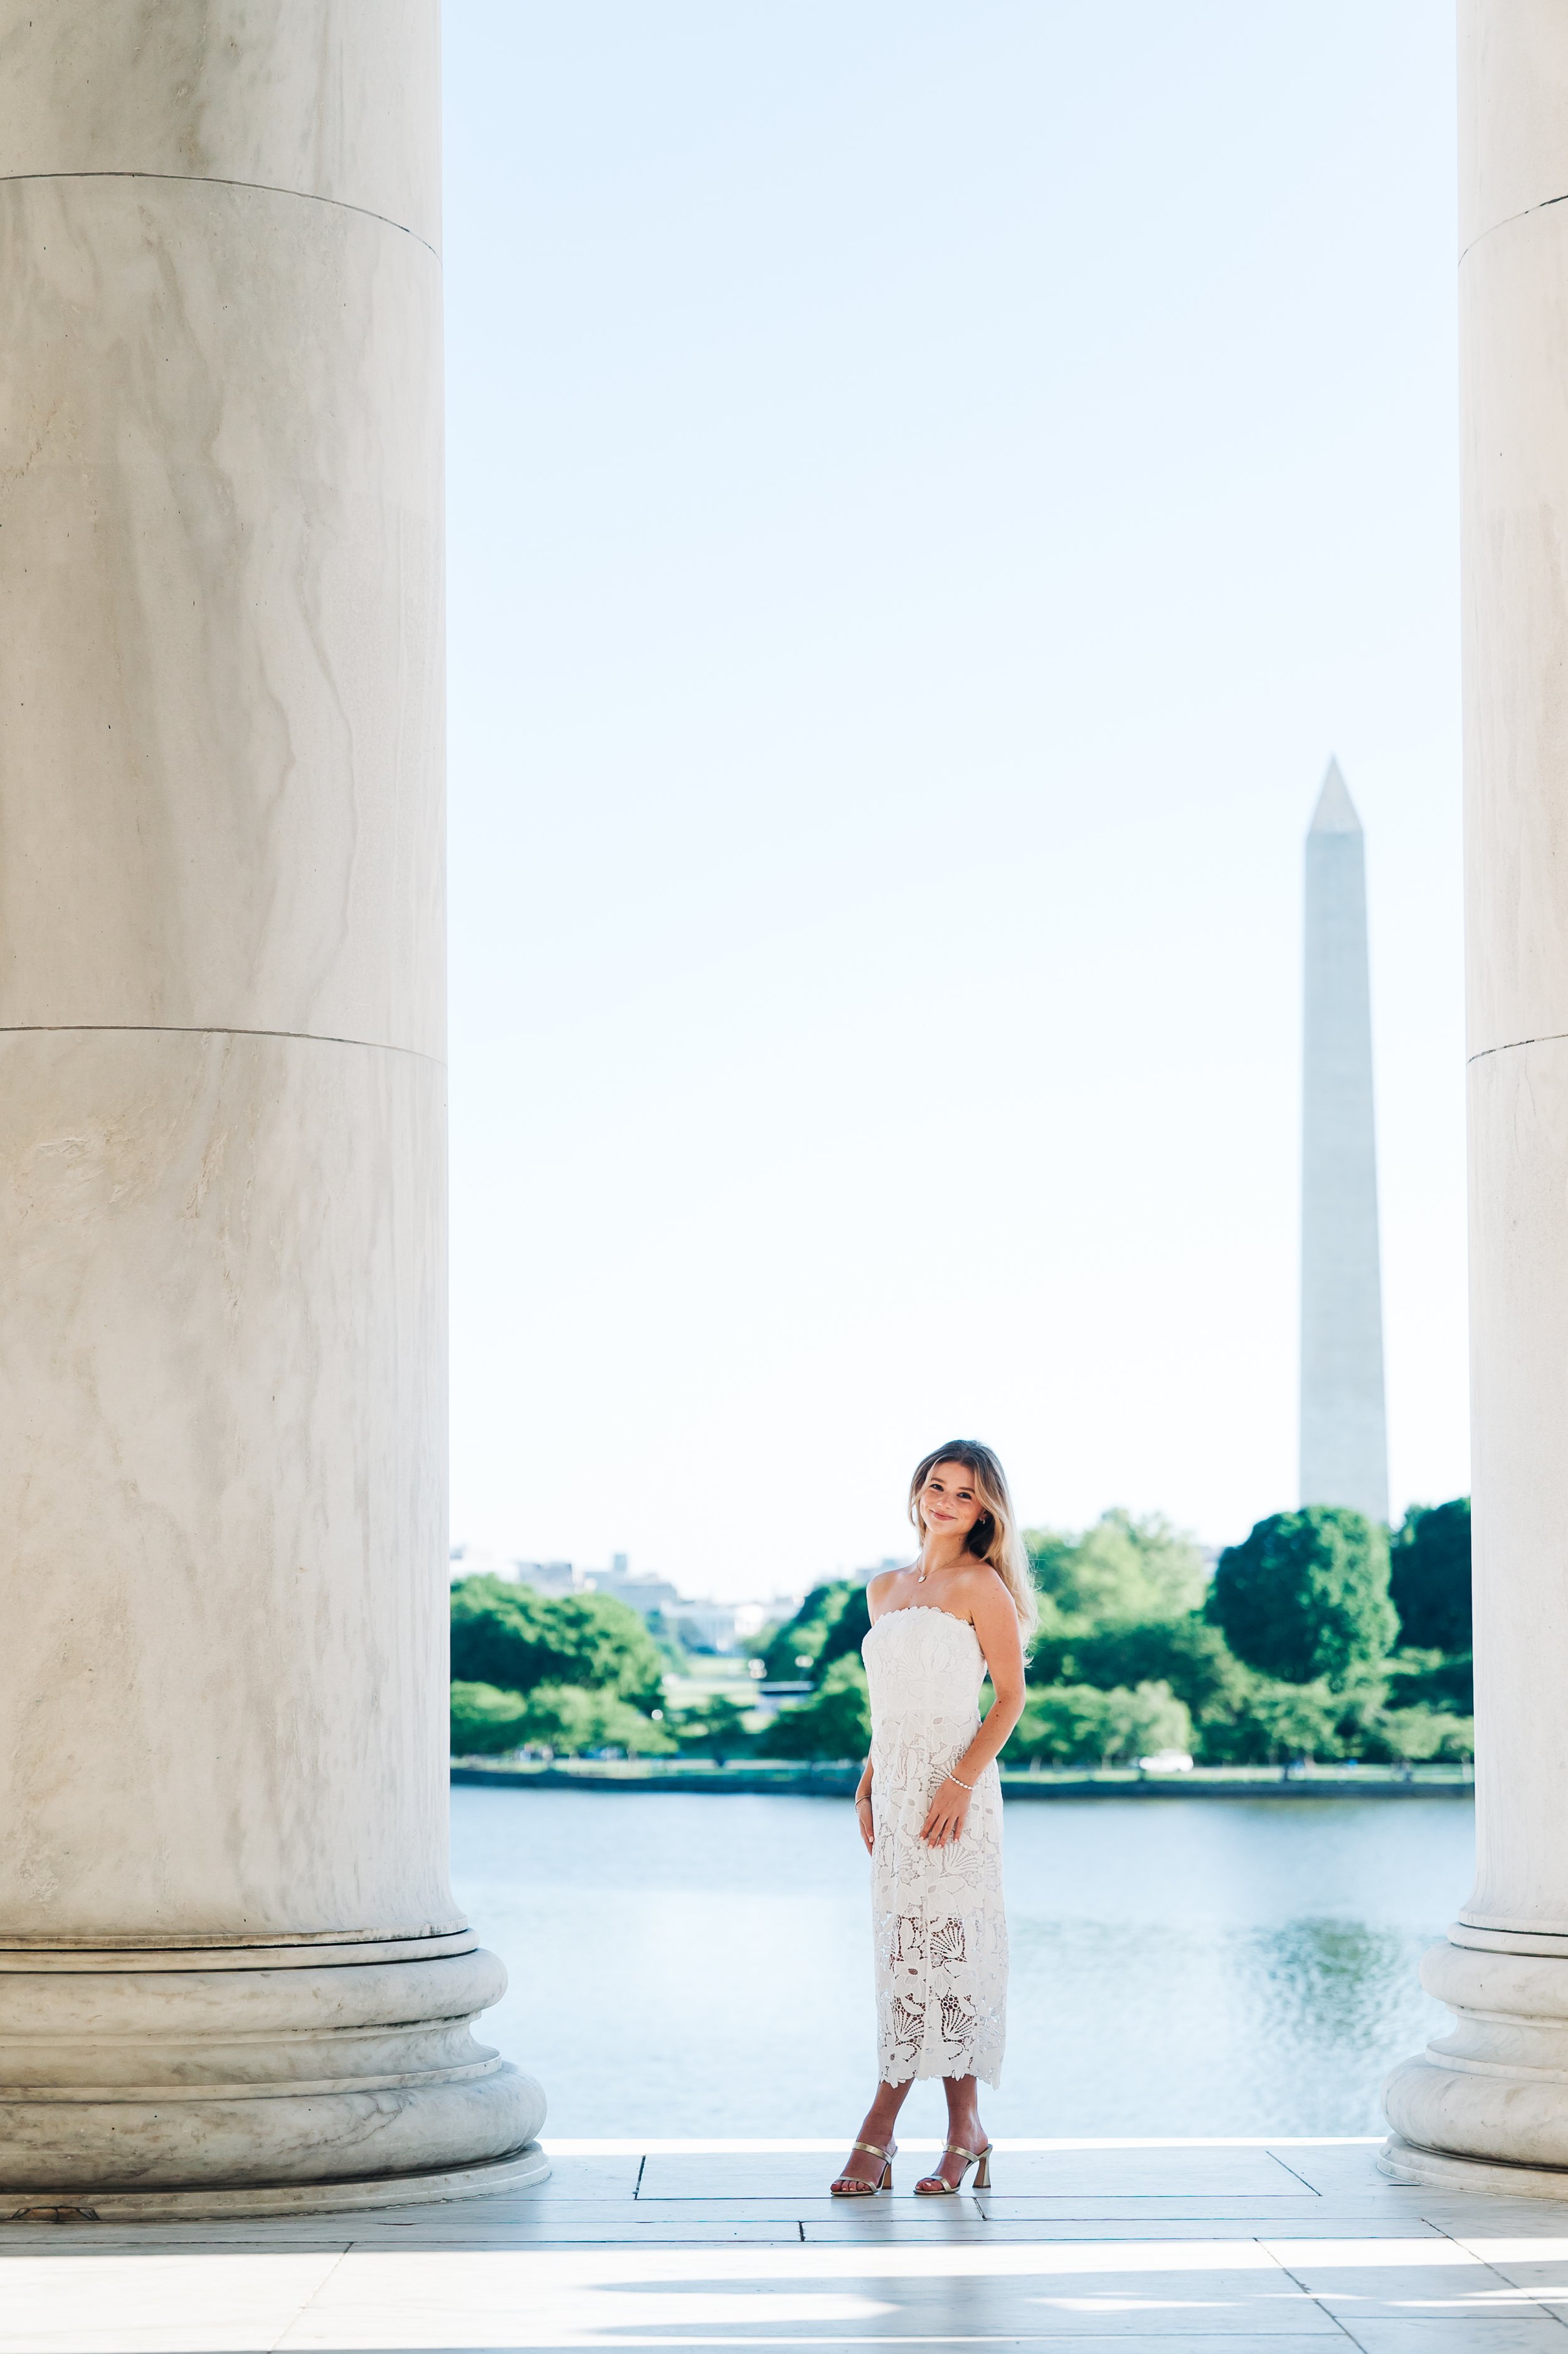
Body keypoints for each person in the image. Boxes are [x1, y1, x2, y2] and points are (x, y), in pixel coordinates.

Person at [830, 1440, 1032, 2198]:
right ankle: (965, 2133)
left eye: (965, 1493)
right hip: (896, 1791)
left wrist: (958, 1783)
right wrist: (866, 1786)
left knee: (954, 1957)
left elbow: (1009, 1698)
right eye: (936, 1485)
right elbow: (889, 1711)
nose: (945, 1500)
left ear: (986, 1511)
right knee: (906, 1960)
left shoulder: (981, 1586)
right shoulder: (883, 1589)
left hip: (958, 1795)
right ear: (918, 1492)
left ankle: (880, 2130)